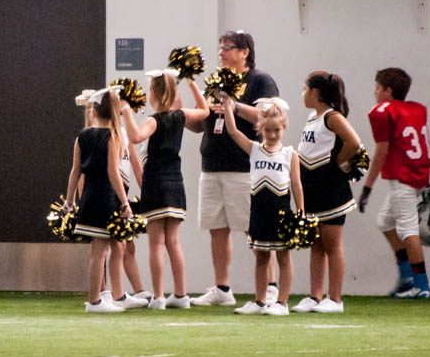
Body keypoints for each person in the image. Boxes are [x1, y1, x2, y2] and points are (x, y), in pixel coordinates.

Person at [189, 31, 280, 307]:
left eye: (228, 48)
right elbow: (199, 123)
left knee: (255, 229)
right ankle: (222, 288)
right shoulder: (215, 82)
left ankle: (271, 286)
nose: (222, 53)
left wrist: (234, 106)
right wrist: (179, 114)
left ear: (245, 52)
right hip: (212, 166)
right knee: (217, 228)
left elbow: (270, 116)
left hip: (244, 166)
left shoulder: (260, 81)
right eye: (220, 48)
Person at [120, 69, 209, 309]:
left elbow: (135, 137)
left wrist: (126, 110)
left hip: (155, 184)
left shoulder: (153, 120)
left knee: (156, 243)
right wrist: (191, 82)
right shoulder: (181, 116)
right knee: (174, 242)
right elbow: (205, 111)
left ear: (153, 94)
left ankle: (159, 296)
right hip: (175, 183)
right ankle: (181, 295)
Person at [220, 96, 303, 316]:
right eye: (267, 130)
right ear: (260, 128)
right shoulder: (254, 149)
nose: (272, 135)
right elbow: (233, 132)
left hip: (281, 211)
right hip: (259, 211)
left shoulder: (289, 154)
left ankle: (282, 303)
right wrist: (227, 106)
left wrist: (301, 212)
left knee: (284, 257)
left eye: (277, 130)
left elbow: (296, 184)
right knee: (261, 257)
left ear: (284, 128)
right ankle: (260, 301)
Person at [358, 67, 430, 299]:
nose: (375, 92)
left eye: (377, 88)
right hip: (417, 175)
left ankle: (421, 286)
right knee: (385, 221)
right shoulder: (416, 109)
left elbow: (381, 150)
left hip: (403, 178)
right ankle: (407, 277)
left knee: (408, 230)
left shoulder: (383, 111)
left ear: (388, 91)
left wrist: (368, 186)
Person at [63, 87, 138, 313]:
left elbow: (75, 171)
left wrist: (69, 201)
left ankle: (101, 298)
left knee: (98, 252)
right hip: (104, 197)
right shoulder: (112, 137)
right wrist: (124, 203)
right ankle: (94, 301)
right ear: (115, 111)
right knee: (100, 252)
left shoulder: (82, 136)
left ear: (94, 111)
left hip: (88, 196)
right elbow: (113, 173)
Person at [292, 72, 361, 314]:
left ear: (315, 92)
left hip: (331, 188)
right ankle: (315, 296)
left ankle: (335, 299)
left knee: (332, 244)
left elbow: (354, 142)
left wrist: (338, 162)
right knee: (316, 245)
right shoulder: (313, 118)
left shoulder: (332, 117)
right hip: (313, 188)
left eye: (305, 88)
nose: (302, 93)